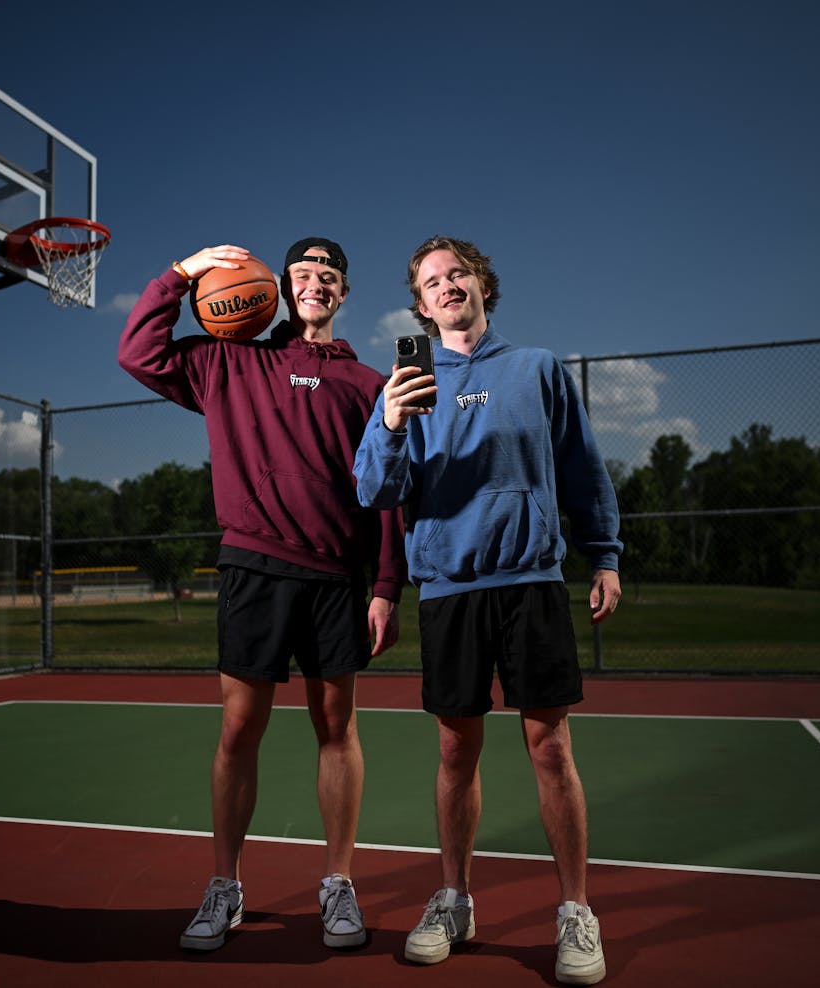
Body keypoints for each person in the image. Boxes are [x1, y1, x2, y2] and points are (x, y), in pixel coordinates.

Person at [118, 238, 406, 953]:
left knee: (336, 726)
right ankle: (225, 885)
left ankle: (337, 882)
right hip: (254, 565)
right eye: (304, 274)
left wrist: (387, 585)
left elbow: (389, 494)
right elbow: (138, 354)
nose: (316, 283)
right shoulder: (226, 359)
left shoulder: (371, 384)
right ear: (278, 288)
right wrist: (180, 274)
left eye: (329, 276)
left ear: (343, 295)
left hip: (338, 573)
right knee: (239, 728)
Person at [352, 235, 622, 985]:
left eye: (457, 273)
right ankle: (455, 898)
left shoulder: (536, 367)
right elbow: (375, 490)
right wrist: (395, 420)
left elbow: (582, 465)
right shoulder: (403, 381)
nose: (446, 286)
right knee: (454, 752)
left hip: (531, 580)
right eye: (431, 281)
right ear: (418, 304)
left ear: (481, 286)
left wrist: (604, 552)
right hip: (448, 586)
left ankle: (575, 911)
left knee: (551, 748)